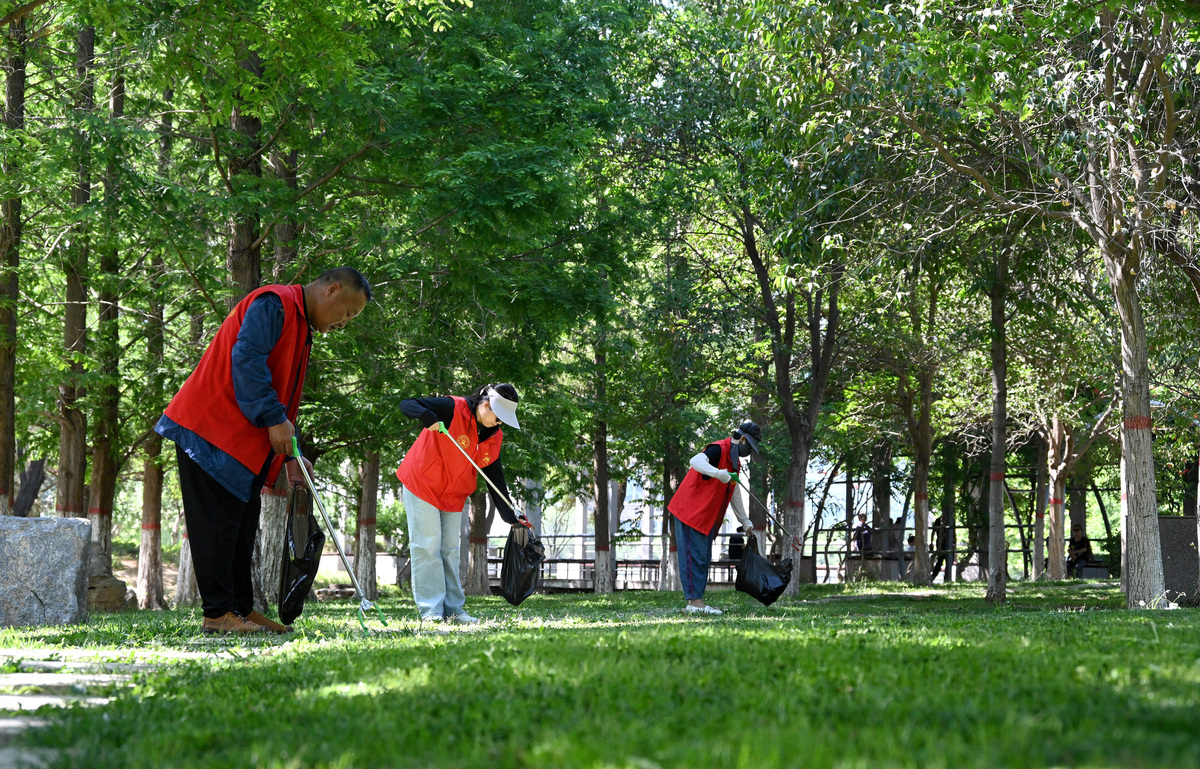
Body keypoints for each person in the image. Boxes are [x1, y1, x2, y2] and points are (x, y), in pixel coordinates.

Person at [156, 267, 372, 634]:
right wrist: (273, 418)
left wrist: (289, 455)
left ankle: (240, 608)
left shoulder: (301, 326)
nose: (345, 323)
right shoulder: (274, 304)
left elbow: (281, 392)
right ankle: (217, 613)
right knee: (219, 524)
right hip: (211, 430)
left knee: (242, 526)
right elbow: (248, 360)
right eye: (348, 313)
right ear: (332, 290)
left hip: (243, 443)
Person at [396, 383, 527, 623]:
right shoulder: (452, 407)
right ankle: (432, 612)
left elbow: (495, 480)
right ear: (486, 406)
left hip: (453, 495)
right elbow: (407, 404)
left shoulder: (494, 437)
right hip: (422, 483)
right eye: (499, 418)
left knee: (450, 552)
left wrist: (510, 515)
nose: (500, 424)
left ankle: (455, 610)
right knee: (427, 546)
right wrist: (427, 416)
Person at [666, 421, 760, 615]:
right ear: (742, 439)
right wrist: (719, 473)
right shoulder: (718, 449)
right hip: (689, 511)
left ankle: (696, 603)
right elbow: (695, 462)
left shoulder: (735, 461)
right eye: (750, 447)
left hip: (705, 516)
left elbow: (733, 492)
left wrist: (745, 522)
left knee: (703, 558)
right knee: (694, 558)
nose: (750, 451)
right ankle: (694, 604)